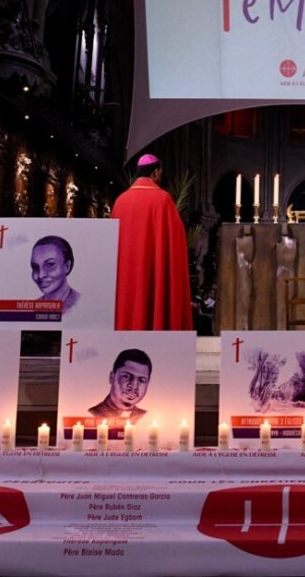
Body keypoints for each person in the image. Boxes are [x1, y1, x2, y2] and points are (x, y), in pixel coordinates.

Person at [110, 154, 191, 330]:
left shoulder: (120, 202)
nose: (160, 177)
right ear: (155, 172)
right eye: (160, 173)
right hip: (154, 273)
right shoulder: (163, 200)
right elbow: (176, 242)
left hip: (126, 277)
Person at [87, 349, 151, 422]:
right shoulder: (93, 414)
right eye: (127, 376)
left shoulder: (145, 418)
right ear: (111, 377)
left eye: (141, 380)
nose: (133, 385)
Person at [31, 235, 80, 313]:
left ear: (67, 266)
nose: (40, 275)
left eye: (50, 265)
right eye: (35, 267)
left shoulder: (80, 303)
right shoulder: (32, 308)